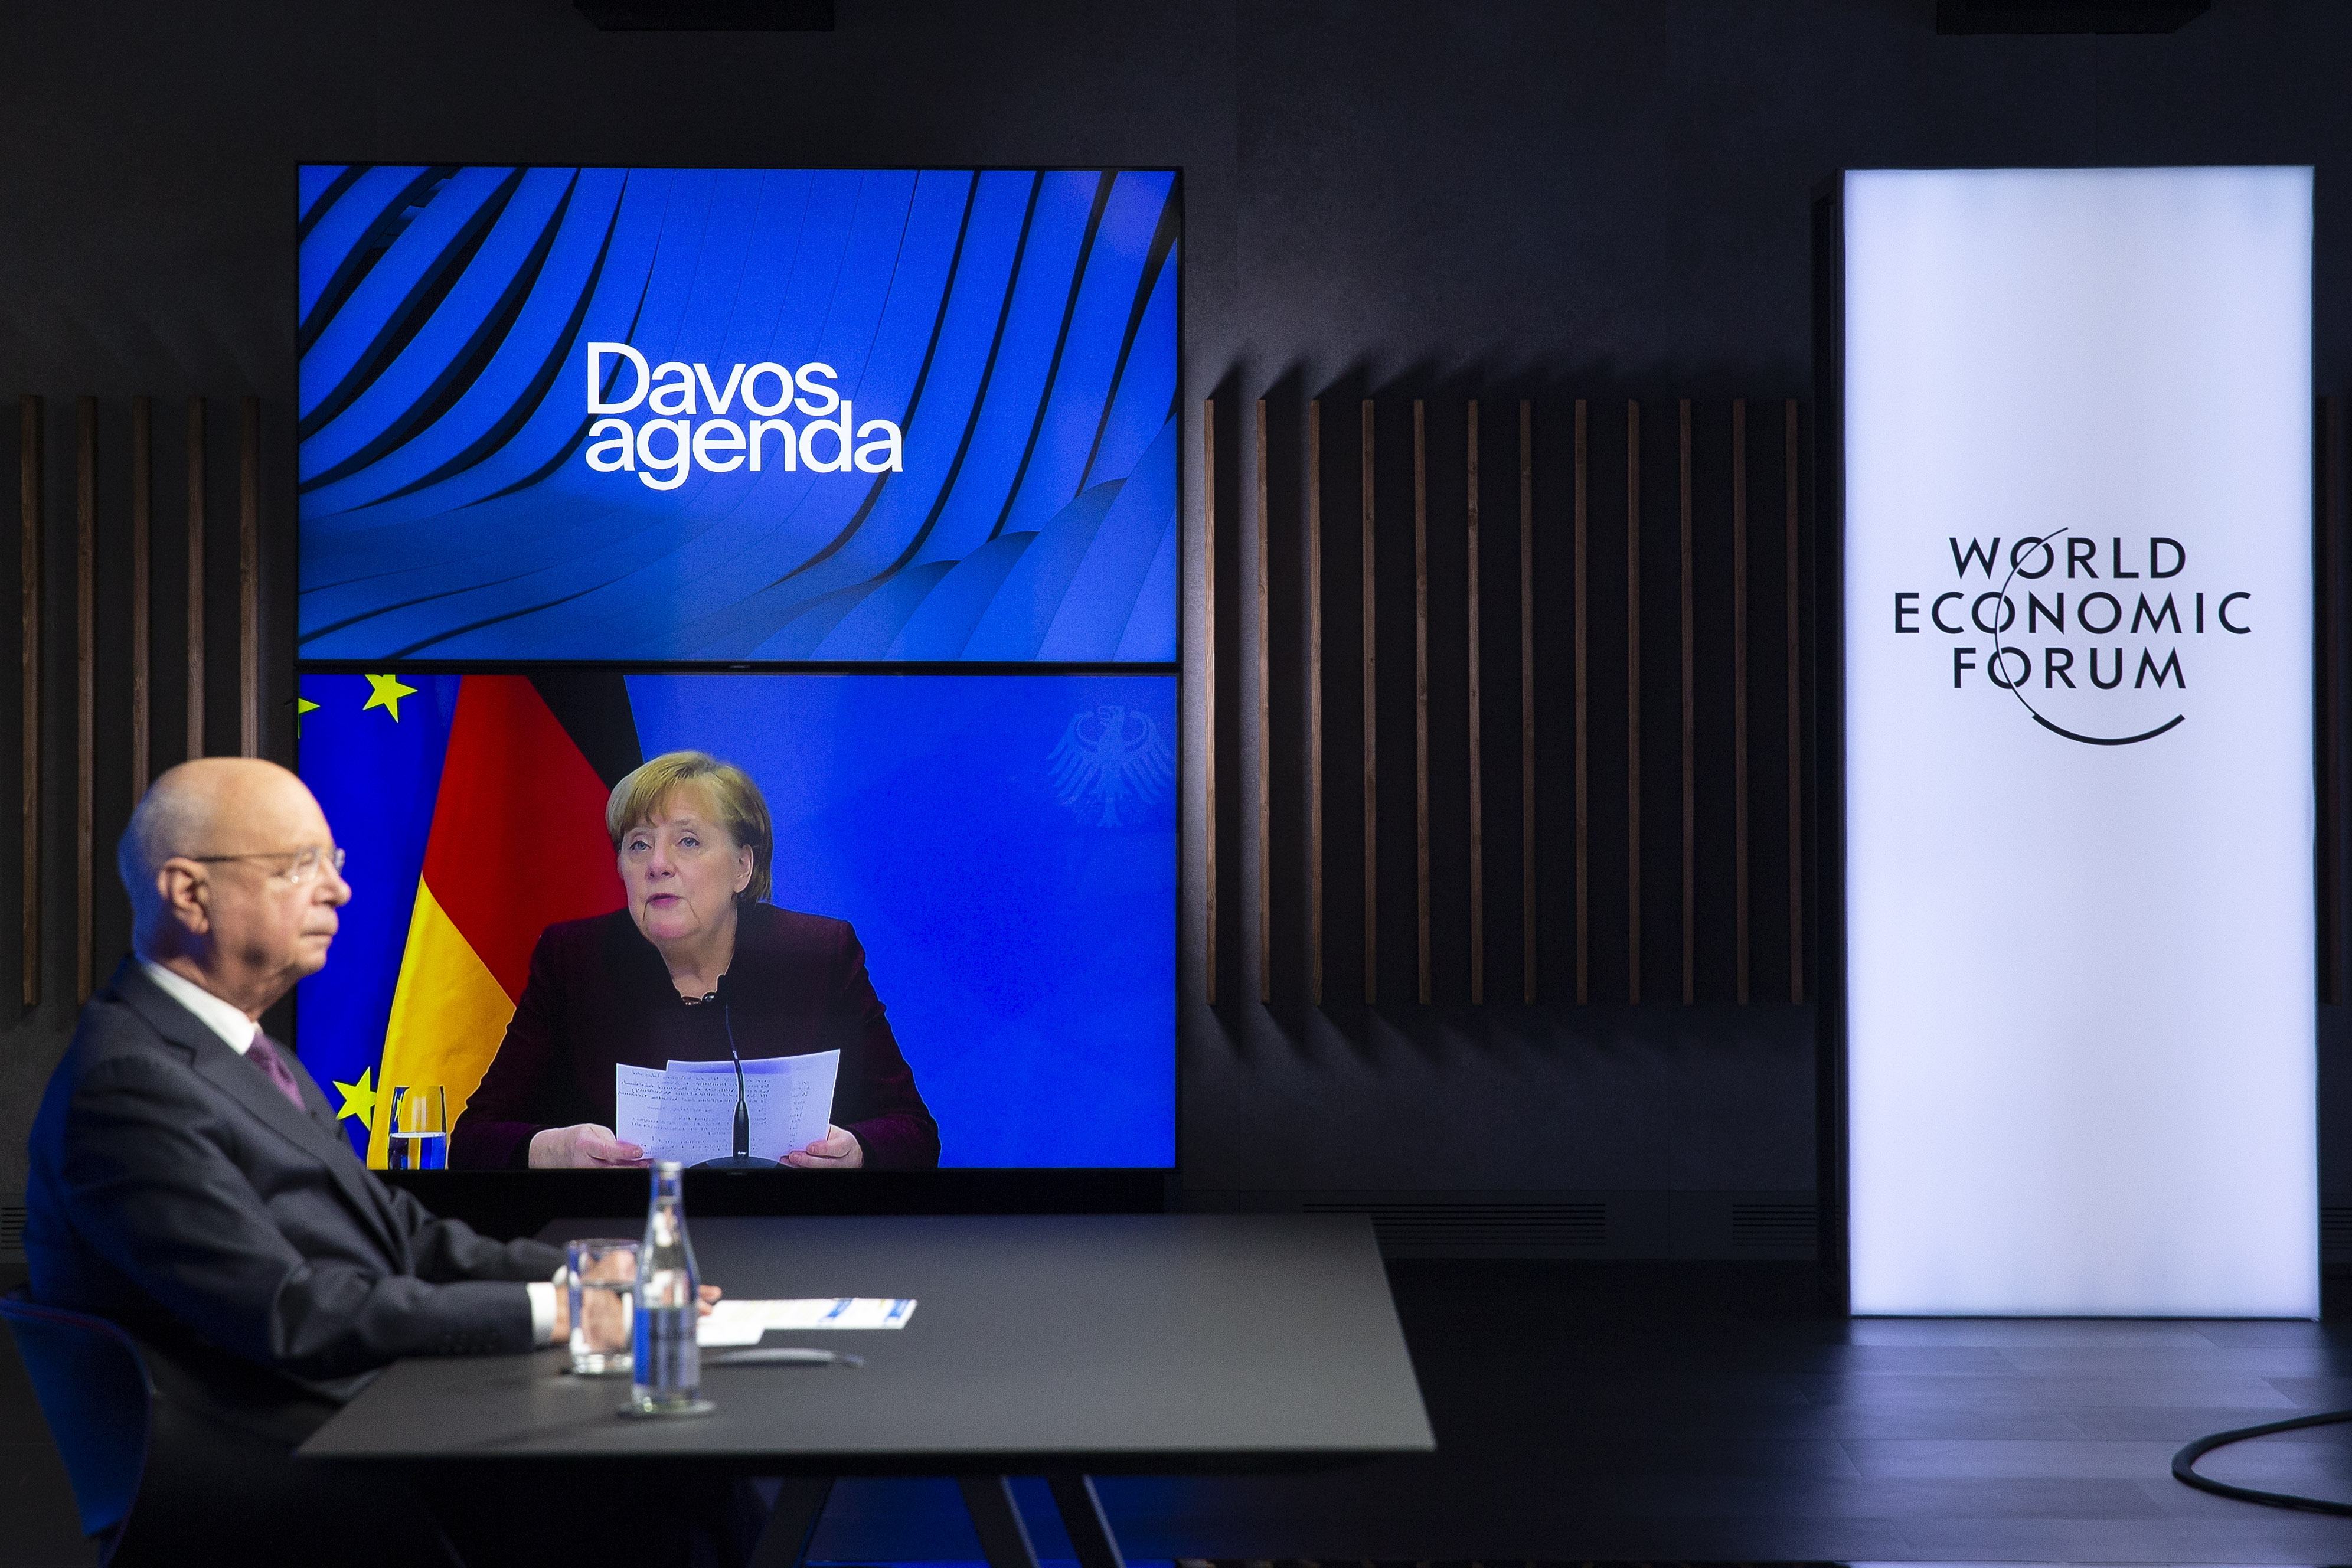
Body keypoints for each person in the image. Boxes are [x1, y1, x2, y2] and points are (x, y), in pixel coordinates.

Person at [21, 758, 720, 1566]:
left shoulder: (241, 1049)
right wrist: (560, 1317)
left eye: (335, 863)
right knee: (668, 1486)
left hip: (367, 1417)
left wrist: (590, 1275)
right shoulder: (129, 1084)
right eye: (298, 866)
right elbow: (294, 1314)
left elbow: (405, 1235)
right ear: (187, 893)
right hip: (292, 1472)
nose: (338, 892)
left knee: (685, 1469)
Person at [450, 750, 939, 1171]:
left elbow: (913, 1132)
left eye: (688, 841)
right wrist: (554, 1151)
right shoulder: (576, 961)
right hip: (623, 1243)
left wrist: (854, 1152)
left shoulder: (818, 955)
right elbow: (474, 1140)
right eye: (638, 844)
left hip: (788, 1239)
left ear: (743, 867)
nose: (658, 864)